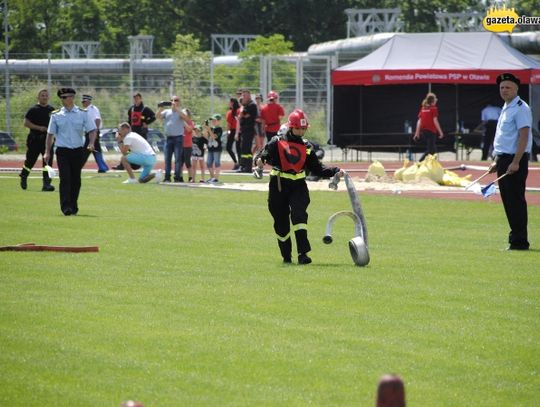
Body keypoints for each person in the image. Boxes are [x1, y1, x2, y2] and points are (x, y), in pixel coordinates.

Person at [254, 109, 342, 264]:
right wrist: (259, 161)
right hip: (278, 186)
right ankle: (286, 256)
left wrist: (335, 171)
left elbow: (318, 169)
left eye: (303, 129)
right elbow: (261, 156)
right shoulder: (276, 142)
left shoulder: (307, 147)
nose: (301, 132)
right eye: (298, 128)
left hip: (298, 186)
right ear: (290, 127)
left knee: (299, 216)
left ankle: (303, 254)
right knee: (281, 223)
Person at [488, 72, 532, 251]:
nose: (504, 90)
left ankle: (520, 241)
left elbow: (523, 136)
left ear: (516, 89)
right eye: (502, 87)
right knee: (508, 201)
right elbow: (504, 138)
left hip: (515, 160)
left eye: (508, 87)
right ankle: (515, 238)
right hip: (503, 158)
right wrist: (496, 160)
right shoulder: (507, 107)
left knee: (515, 201)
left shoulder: (521, 107)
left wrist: (516, 162)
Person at [44, 87, 97, 216]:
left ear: (72, 98)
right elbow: (50, 135)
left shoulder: (82, 113)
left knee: (76, 180)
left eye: (64, 97)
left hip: (78, 151)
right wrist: (47, 152)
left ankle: (73, 205)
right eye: (61, 98)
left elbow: (92, 130)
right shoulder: (56, 115)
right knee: (65, 179)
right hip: (62, 151)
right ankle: (66, 207)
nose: (62, 100)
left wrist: (91, 143)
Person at [19, 89, 55, 192]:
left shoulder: (52, 110)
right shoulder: (33, 110)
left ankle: (46, 184)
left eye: (46, 95)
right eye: (42, 95)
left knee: (47, 162)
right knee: (30, 161)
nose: (44, 97)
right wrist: (39, 128)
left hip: (47, 140)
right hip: (34, 139)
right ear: (38, 97)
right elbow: (26, 123)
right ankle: (24, 176)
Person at [113, 92, 156, 170]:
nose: (136, 100)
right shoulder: (131, 109)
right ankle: (123, 165)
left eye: (137, 98)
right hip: (132, 132)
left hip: (141, 133)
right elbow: (130, 120)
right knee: (128, 149)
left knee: (142, 150)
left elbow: (154, 117)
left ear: (141, 99)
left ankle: (143, 165)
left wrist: (146, 123)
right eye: (135, 98)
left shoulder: (145, 109)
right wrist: (125, 130)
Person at [157, 95, 190, 182]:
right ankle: (167, 177)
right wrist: (160, 108)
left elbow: (187, 119)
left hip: (178, 138)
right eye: (172, 100)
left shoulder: (182, 111)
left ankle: (177, 177)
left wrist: (177, 109)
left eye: (176, 100)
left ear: (179, 102)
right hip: (168, 139)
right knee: (167, 159)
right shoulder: (166, 111)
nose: (173, 102)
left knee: (178, 159)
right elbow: (157, 117)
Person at [81, 94, 109, 173]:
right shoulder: (87, 109)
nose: (83, 103)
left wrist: (95, 131)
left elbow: (97, 119)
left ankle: (78, 166)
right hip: (90, 132)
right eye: (82, 101)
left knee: (86, 150)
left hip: (92, 132)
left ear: (89, 101)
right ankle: (103, 167)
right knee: (96, 149)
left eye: (84, 101)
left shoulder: (92, 109)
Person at [413, 92, 444, 162]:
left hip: (424, 132)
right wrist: (441, 132)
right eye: (435, 98)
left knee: (433, 151)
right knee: (430, 150)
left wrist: (417, 133)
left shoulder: (423, 108)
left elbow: (419, 121)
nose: (437, 99)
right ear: (432, 101)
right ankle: (419, 163)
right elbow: (435, 121)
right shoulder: (434, 109)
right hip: (431, 132)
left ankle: (433, 167)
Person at [237, 89, 258, 173]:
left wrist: (242, 114)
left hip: (249, 130)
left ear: (249, 96)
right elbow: (242, 115)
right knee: (246, 149)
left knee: (246, 148)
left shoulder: (252, 105)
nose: (243, 97)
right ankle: (246, 167)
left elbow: (244, 115)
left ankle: (246, 167)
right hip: (245, 130)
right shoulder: (246, 105)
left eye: (245, 95)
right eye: (243, 96)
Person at [204, 114, 223, 183]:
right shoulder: (211, 129)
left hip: (217, 149)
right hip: (210, 148)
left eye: (215, 120)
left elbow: (214, 137)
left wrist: (209, 130)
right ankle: (212, 177)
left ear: (219, 121)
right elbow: (206, 137)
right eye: (212, 120)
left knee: (217, 162)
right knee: (209, 163)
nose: (213, 122)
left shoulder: (219, 129)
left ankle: (216, 178)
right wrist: (206, 129)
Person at [225, 98, 241, 170]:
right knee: (238, 148)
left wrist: (228, 133)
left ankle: (237, 163)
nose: (229, 103)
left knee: (229, 147)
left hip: (234, 131)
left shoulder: (231, 112)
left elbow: (228, 125)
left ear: (232, 103)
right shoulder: (238, 111)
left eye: (230, 102)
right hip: (238, 131)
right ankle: (238, 163)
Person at [180, 108, 194, 183]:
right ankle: (180, 177)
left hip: (187, 146)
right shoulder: (179, 122)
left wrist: (183, 122)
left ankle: (190, 177)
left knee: (187, 162)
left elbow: (189, 130)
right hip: (180, 145)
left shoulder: (190, 122)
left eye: (184, 114)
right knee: (180, 162)